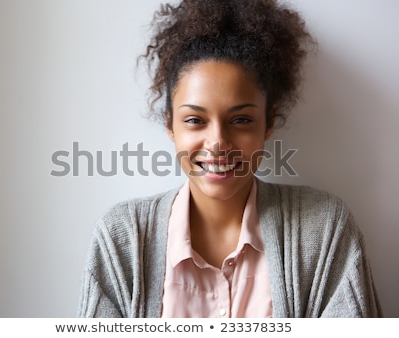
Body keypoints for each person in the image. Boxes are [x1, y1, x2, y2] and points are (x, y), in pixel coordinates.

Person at [77, 0, 382, 318]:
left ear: (269, 122)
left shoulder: (325, 230)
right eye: (195, 120)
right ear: (170, 124)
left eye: (241, 120)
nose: (219, 143)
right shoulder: (122, 238)